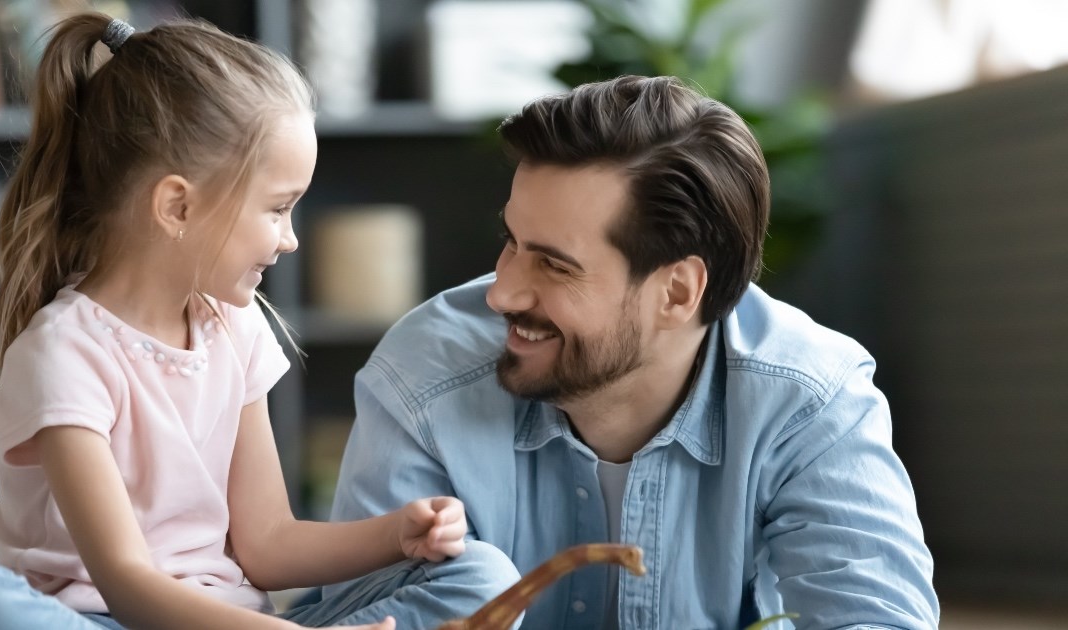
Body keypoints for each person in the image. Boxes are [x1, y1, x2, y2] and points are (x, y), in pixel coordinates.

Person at [0, 13, 518, 630]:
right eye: (278, 210)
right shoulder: (62, 353)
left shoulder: (236, 325)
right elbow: (126, 584)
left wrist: (395, 536)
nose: (290, 241)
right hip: (107, 620)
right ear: (177, 205)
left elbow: (268, 544)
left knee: (483, 574)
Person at [323, 76, 940, 629]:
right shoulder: (425, 374)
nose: (502, 292)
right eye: (511, 242)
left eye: (555, 266)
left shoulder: (809, 397)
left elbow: (876, 618)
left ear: (676, 292)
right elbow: (361, 617)